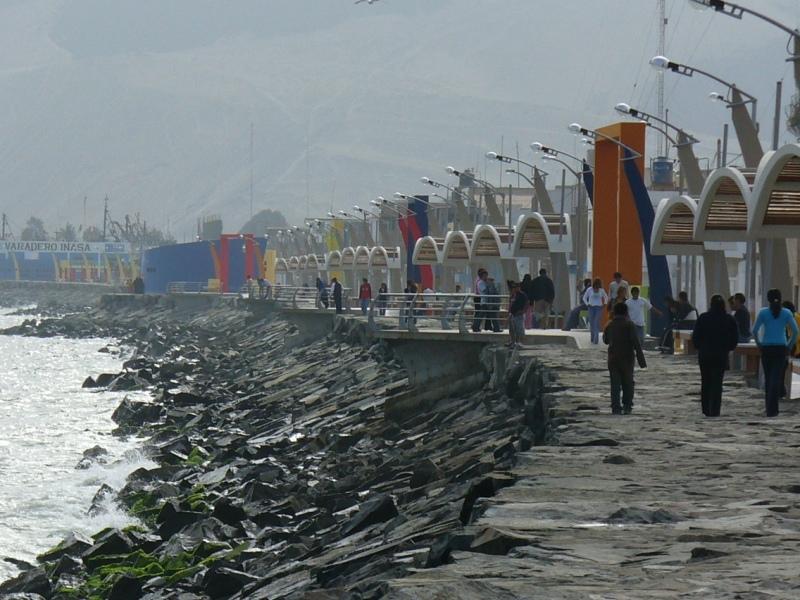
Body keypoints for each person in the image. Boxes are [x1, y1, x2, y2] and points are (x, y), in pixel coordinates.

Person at [752, 289, 799, 417]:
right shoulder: (786, 313)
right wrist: (789, 346)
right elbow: (795, 331)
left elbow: (755, 331)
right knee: (776, 378)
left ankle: (769, 408)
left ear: (768, 299)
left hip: (767, 348)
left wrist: (759, 344)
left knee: (768, 378)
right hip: (780, 348)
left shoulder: (763, 313)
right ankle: (774, 409)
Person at [691, 295, 739, 417]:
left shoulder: (703, 318)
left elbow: (695, 337)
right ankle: (715, 410)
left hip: (705, 355)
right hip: (720, 356)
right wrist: (728, 348)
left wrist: (700, 347)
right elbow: (734, 339)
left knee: (705, 381)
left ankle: (706, 409)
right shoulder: (729, 319)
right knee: (717, 383)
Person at [603, 302, 646, 415]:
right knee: (628, 383)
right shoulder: (629, 325)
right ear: (626, 312)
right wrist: (642, 361)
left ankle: (616, 407)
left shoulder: (610, 325)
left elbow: (605, 340)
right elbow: (636, 343)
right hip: (627, 358)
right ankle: (627, 405)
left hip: (613, 358)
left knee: (615, 384)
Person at [583, 278, 608, 345]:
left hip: (599, 308)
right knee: (591, 323)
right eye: (596, 285)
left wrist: (605, 303)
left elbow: (606, 297)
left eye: (598, 285)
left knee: (596, 322)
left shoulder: (601, 290)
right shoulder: (589, 290)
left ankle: (596, 339)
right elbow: (584, 298)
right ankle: (592, 337)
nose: (597, 287)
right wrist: (587, 304)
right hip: (591, 307)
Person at [508, 281, 528, 347]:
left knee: (519, 329)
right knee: (512, 329)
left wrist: (522, 311)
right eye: (514, 287)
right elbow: (510, 303)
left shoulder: (522, 295)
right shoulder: (513, 295)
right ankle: (512, 342)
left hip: (519, 314)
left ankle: (518, 342)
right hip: (512, 314)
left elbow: (526, 304)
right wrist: (509, 312)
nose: (515, 288)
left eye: (516, 287)